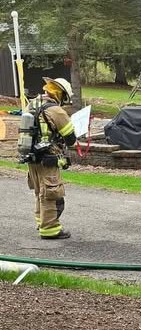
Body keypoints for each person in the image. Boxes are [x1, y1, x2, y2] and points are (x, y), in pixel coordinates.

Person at [25, 77, 77, 239]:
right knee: (51, 194)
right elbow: (70, 139)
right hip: (48, 158)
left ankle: (41, 221)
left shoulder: (32, 104)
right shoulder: (55, 110)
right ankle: (50, 229)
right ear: (61, 94)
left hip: (31, 157)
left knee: (40, 192)